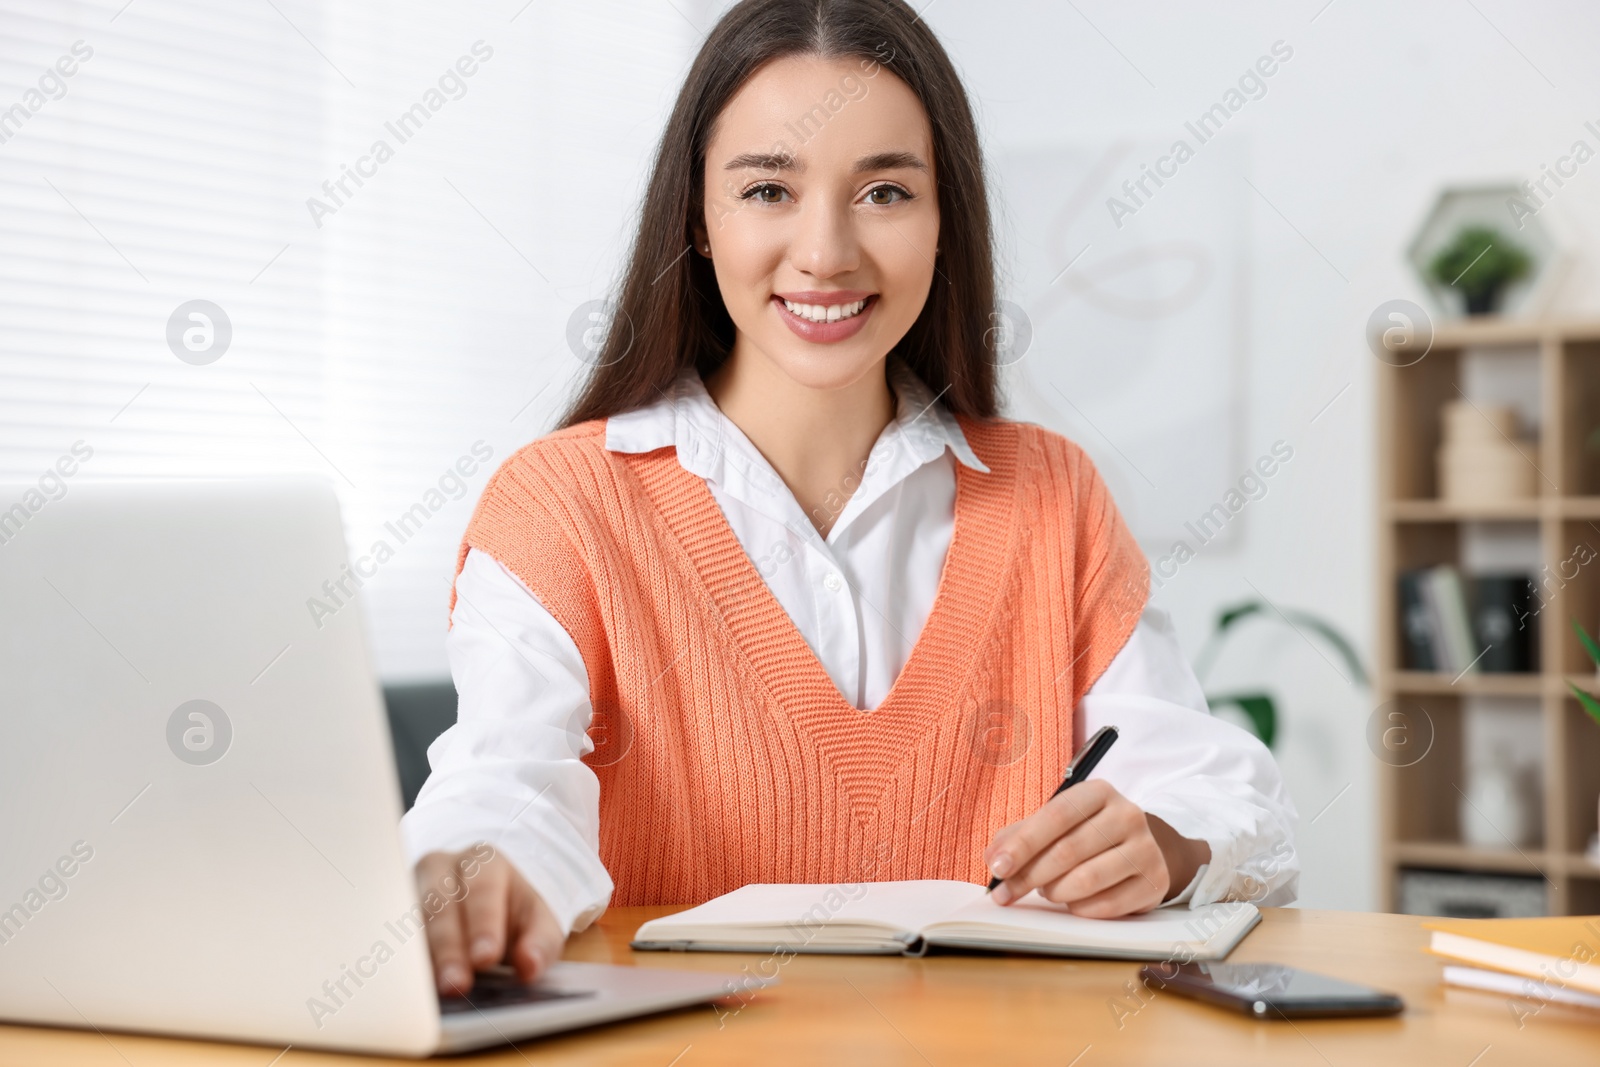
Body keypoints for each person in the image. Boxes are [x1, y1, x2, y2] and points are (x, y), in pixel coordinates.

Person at [401, 0, 1297, 997]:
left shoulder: (1051, 495)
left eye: (883, 191)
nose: (825, 251)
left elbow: (1220, 788)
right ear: (697, 218)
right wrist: (477, 868)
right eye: (768, 188)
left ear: (942, 219)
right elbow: (504, 779)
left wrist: (1163, 843)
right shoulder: (560, 503)